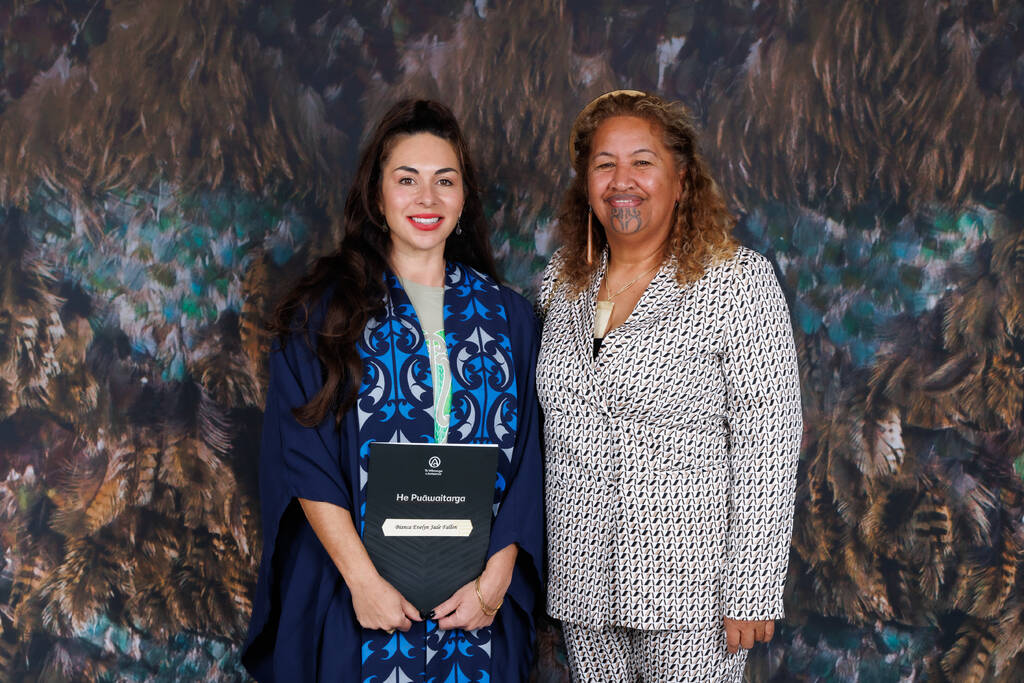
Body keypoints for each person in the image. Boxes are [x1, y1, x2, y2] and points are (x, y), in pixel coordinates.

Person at [242, 99, 543, 682]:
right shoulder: (322, 317)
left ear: (463, 198)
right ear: (377, 197)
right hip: (358, 602)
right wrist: (363, 584)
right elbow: (304, 460)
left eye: (444, 181)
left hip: (475, 607)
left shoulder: (511, 319)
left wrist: (496, 581)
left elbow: (531, 460)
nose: (426, 199)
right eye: (407, 180)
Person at [536, 90, 802, 681]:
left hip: (693, 595)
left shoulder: (738, 281)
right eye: (604, 164)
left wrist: (753, 585)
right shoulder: (560, 282)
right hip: (582, 588)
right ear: (586, 183)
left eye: (642, 162)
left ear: (681, 181)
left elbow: (769, 440)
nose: (620, 180)